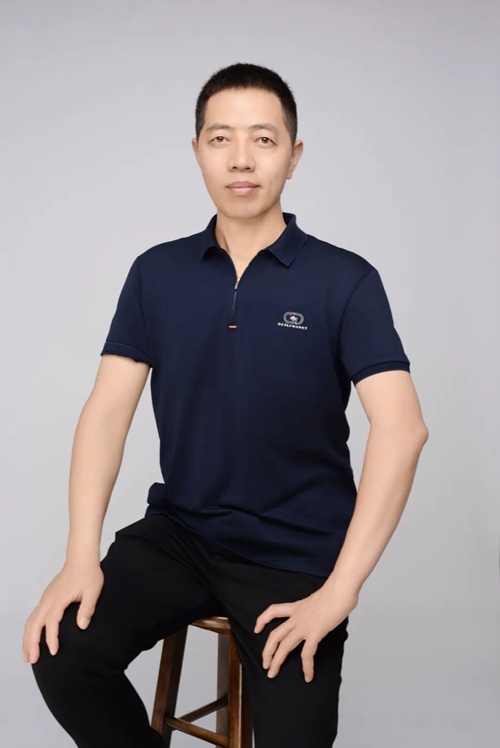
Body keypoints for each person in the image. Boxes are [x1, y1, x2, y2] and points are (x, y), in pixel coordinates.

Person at [23, 62, 429, 748]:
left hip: (298, 555)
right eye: (221, 138)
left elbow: (403, 429)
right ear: (197, 152)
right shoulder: (157, 272)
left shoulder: (345, 280)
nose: (241, 159)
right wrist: (79, 555)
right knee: (62, 652)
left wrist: (339, 590)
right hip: (182, 534)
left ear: (294, 156)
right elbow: (107, 411)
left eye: (264, 139)